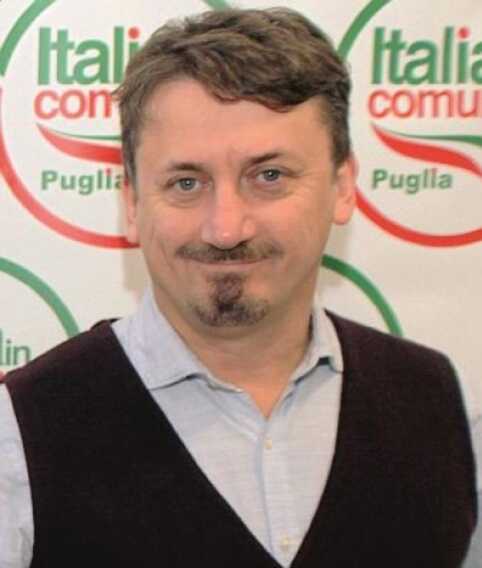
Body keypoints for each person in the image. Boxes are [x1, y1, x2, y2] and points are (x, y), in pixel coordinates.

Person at [0, 7, 480, 567]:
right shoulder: (20, 432)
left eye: (269, 176)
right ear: (132, 203)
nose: (226, 228)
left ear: (343, 185)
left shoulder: (443, 407)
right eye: (186, 182)